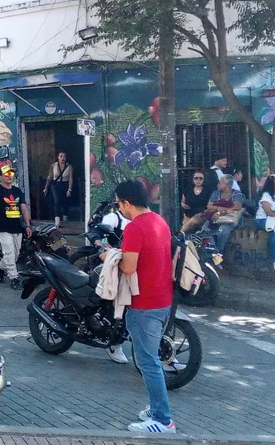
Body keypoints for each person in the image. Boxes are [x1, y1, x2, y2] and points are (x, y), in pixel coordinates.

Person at [111, 180, 177, 434]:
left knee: (149, 362)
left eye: (119, 203)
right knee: (150, 360)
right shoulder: (159, 221)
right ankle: (156, 407)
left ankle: (163, 420)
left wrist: (110, 257)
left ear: (127, 203)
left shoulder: (135, 228)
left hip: (144, 304)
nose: (119, 208)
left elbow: (128, 267)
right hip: (163, 301)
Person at [204, 174, 244, 253]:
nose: (218, 184)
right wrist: (219, 208)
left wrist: (220, 212)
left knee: (223, 230)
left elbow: (236, 207)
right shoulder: (216, 193)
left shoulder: (236, 194)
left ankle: (219, 252)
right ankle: (213, 250)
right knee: (204, 229)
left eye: (220, 183)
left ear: (228, 185)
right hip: (214, 218)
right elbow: (209, 206)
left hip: (229, 220)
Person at [42, 151, 73, 227]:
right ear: (58, 157)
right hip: (55, 185)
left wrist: (69, 189)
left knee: (65, 202)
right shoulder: (53, 166)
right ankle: (57, 221)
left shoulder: (69, 167)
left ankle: (65, 219)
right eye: (61, 156)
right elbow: (50, 177)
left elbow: (70, 179)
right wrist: (46, 187)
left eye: (64, 156)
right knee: (56, 201)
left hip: (65, 185)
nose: (62, 158)